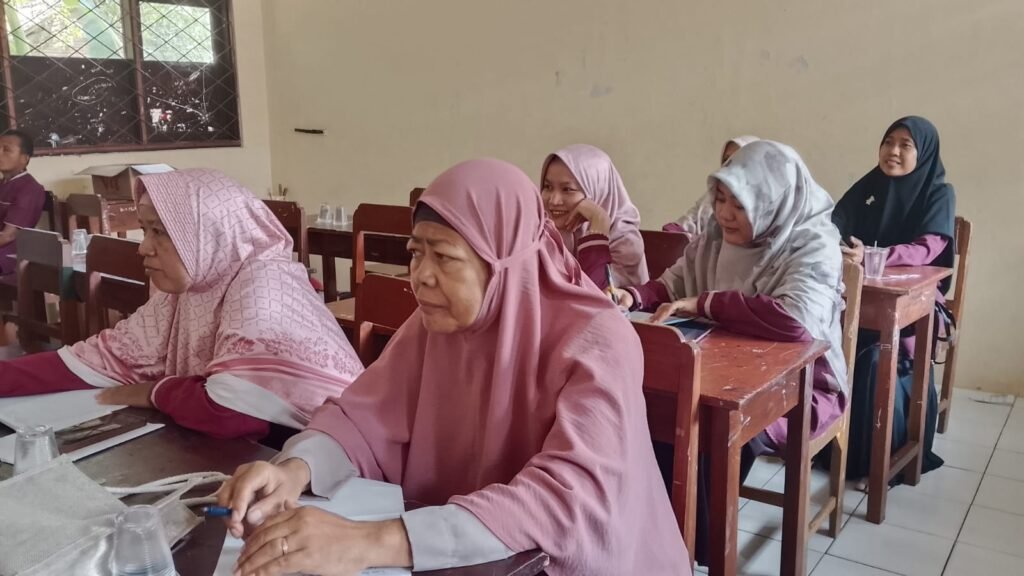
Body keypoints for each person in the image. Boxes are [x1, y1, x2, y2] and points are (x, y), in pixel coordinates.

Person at [217, 159, 689, 576]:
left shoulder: (599, 339)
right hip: (472, 558)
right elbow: (360, 419)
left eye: (443, 257)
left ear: (502, 263)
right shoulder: (434, 327)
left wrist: (367, 542)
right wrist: (295, 469)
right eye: (415, 252)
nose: (421, 275)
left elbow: (565, 501)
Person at [614, 140, 846, 563]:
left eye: (739, 204)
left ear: (771, 201)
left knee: (711, 425)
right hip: (721, 367)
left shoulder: (813, 243)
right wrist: (635, 296)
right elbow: (675, 282)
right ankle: (663, 543)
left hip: (802, 385)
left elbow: (796, 321)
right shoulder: (715, 235)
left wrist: (707, 304)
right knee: (659, 412)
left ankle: (693, 547)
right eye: (719, 199)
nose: (724, 213)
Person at [0, 169, 363, 440]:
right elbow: (103, 357)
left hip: (317, 464)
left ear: (211, 233)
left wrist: (154, 392)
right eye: (145, 230)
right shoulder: (192, 286)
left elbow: (232, 414)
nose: (144, 247)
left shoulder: (265, 286)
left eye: (159, 232)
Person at [832, 116, 954, 480]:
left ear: (924, 152)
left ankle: (883, 455)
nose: (893, 151)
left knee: (877, 357)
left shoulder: (939, 192)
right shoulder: (870, 184)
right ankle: (827, 442)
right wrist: (833, 244)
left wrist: (876, 255)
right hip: (861, 295)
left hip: (915, 305)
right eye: (888, 142)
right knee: (823, 340)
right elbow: (835, 221)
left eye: (905, 145)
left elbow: (929, 248)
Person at [540, 144, 648, 289]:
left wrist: (599, 222)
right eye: (548, 187)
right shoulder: (542, 230)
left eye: (567, 189)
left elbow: (595, 297)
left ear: (598, 189)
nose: (553, 200)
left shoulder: (625, 243)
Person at [663, 135, 760, 237]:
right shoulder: (714, 193)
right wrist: (675, 231)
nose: (730, 165)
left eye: (737, 159)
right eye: (726, 160)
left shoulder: (761, 203)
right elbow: (690, 221)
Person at [0, 130, 46, 276]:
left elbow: (8, 236)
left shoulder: (29, 189)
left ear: (24, 158)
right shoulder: (2, 184)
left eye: (6, 150)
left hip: (10, 256)